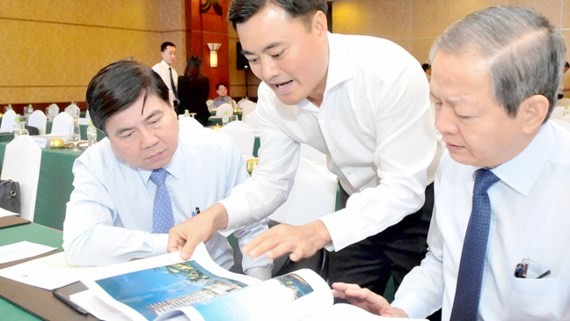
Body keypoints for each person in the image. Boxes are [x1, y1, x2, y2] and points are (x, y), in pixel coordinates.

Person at [168, 0, 438, 298]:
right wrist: (214, 216)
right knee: (340, 303)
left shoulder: (387, 72)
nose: (268, 72)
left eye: (277, 53)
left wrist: (317, 231)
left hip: (423, 206)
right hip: (356, 203)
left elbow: (403, 188)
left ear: (319, 26)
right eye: (253, 59)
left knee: (421, 304)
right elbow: (271, 182)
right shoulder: (272, 97)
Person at [333, 6, 570, 320]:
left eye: (464, 113)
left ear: (531, 113)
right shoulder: (458, 161)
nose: (441, 125)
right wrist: (402, 309)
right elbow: (443, 262)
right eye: (437, 103)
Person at [62, 60, 273, 280]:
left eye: (154, 120)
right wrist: (167, 243)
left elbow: (251, 226)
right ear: (106, 136)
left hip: (214, 282)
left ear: (172, 104)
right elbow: (79, 242)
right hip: (136, 284)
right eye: (127, 134)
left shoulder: (216, 149)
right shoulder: (97, 164)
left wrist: (259, 283)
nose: (148, 141)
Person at [177, 56, 211, 126]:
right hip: (201, 112)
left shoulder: (181, 79)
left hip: (185, 112)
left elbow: (180, 97)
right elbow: (205, 97)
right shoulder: (204, 80)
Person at [152, 41, 179, 106]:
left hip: (175, 103)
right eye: (170, 53)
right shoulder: (156, 69)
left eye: (174, 54)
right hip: (163, 103)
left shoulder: (174, 72)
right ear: (162, 54)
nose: (173, 56)